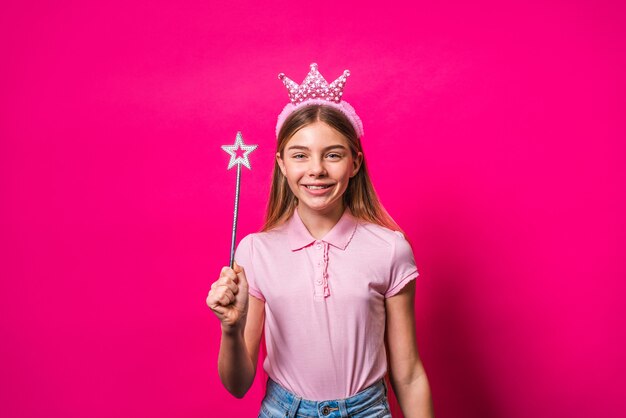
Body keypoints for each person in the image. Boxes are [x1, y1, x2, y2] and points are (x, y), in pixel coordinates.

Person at [207, 63, 434, 417]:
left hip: (366, 410)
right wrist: (231, 329)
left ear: (355, 163)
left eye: (333, 154)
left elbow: (408, 374)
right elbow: (237, 385)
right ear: (281, 164)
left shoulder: (390, 248)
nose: (316, 169)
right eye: (300, 155)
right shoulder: (255, 251)